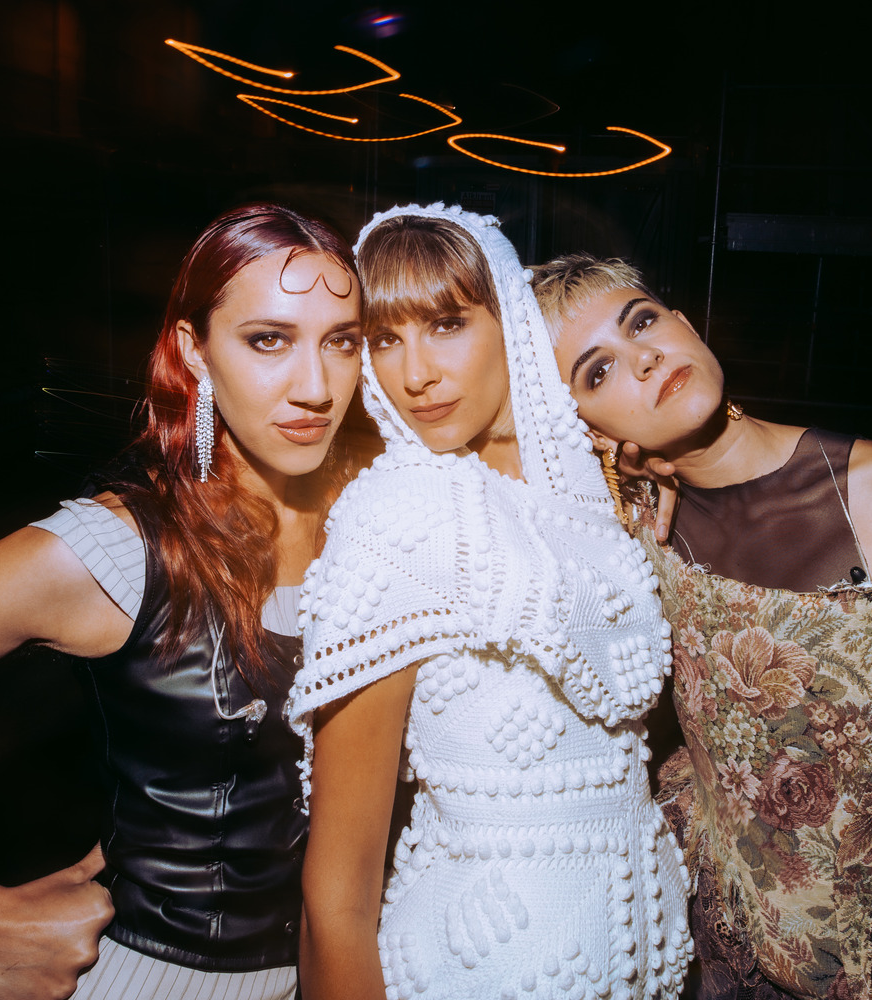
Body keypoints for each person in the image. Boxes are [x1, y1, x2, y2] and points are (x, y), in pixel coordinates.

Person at [0, 202, 369, 1000]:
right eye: (269, 340)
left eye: (342, 341)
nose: (316, 387)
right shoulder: (119, 548)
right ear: (195, 351)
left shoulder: (380, 522)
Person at [288, 203, 693, 1000]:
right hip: (475, 966)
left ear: (508, 317)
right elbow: (337, 893)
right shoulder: (396, 520)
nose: (415, 374)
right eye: (383, 339)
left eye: (445, 325)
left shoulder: (597, 490)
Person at [532, 252, 872, 1000]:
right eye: (598, 372)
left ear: (686, 324)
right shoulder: (626, 542)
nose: (643, 358)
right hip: (721, 954)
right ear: (581, 426)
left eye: (643, 322)